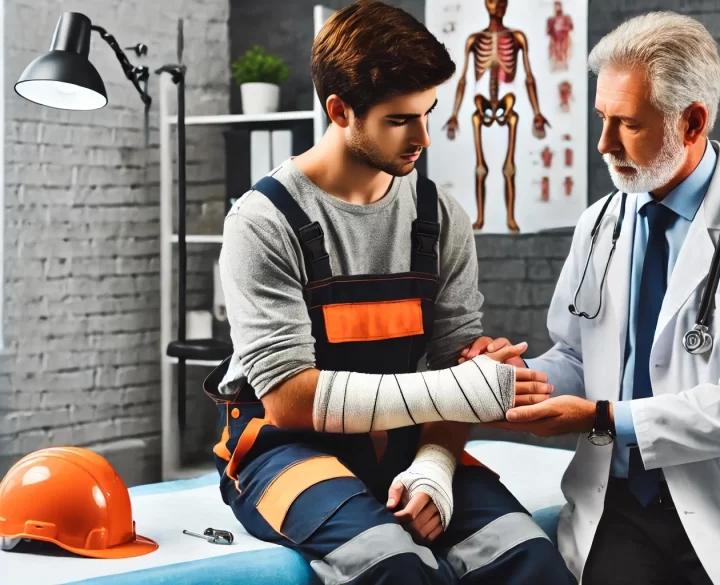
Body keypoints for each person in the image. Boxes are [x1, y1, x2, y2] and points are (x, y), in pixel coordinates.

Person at [206, 2, 575, 584]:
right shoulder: (262, 221)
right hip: (285, 453)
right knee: (396, 566)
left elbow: (459, 380)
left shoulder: (440, 217)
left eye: (428, 112)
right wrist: (462, 388)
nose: (423, 137)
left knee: (529, 558)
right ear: (340, 110)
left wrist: (433, 466)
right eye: (400, 119)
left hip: (407, 449)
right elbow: (290, 399)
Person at [483, 10, 720, 585]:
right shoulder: (600, 223)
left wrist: (600, 418)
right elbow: (574, 356)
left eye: (627, 124)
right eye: (601, 118)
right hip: (622, 507)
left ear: (691, 123)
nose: (603, 143)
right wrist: (522, 377)